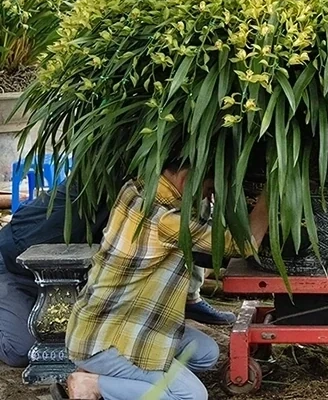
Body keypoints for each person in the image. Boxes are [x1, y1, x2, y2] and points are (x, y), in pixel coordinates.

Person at [64, 163, 269, 400]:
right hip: (109, 340)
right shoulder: (165, 219)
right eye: (208, 189)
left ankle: (123, 379)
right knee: (191, 396)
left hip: (113, 322)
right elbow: (244, 244)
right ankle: (92, 384)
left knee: (206, 354)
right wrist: (269, 194)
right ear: (185, 179)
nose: (208, 197)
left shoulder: (139, 187)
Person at [0, 180, 236, 370]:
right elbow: (14, 251)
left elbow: (195, 245)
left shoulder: (149, 195)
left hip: (72, 277)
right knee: (20, 350)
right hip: (13, 268)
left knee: (97, 334)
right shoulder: (109, 185)